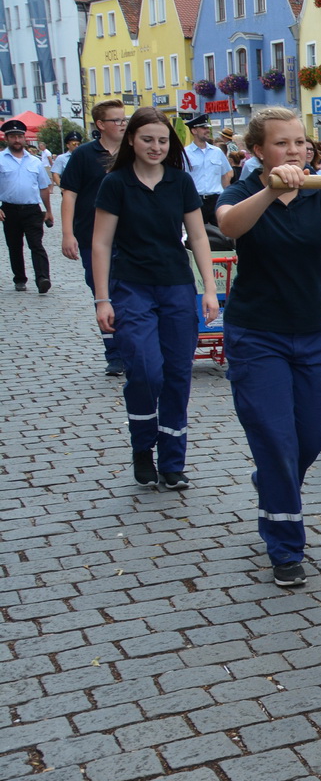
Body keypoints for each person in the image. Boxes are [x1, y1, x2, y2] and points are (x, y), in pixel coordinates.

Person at [216, 106, 321, 588]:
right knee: (275, 439)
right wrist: (271, 189)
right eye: (283, 143)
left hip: (311, 334)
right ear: (258, 152)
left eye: (300, 142)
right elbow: (229, 227)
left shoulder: (319, 193)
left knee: (310, 437)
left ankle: (272, 479)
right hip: (256, 335)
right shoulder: (243, 191)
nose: (295, 151)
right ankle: (286, 546)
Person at [89, 108, 220, 491]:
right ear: (131, 140)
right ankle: (143, 447)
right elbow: (100, 242)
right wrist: (102, 299)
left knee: (178, 374)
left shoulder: (180, 182)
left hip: (177, 286)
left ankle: (173, 460)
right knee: (146, 370)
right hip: (131, 287)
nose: (156, 146)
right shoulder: (115, 184)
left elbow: (198, 237)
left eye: (163, 140)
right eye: (148, 139)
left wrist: (209, 290)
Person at [61, 101, 130, 370]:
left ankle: (132, 347)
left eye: (124, 120)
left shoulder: (131, 152)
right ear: (101, 125)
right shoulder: (84, 155)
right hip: (92, 237)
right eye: (117, 120)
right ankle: (114, 353)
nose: (123, 124)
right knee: (103, 294)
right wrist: (68, 234)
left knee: (129, 292)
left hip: (128, 236)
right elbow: (70, 194)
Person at [1, 118, 54, 293]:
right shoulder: (1, 160)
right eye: (12, 137)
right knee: (14, 246)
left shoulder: (35, 162)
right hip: (9, 209)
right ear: (6, 139)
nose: (16, 140)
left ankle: (42, 278)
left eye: (19, 136)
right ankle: (20, 279)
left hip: (32, 210)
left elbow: (43, 187)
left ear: (24, 138)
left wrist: (48, 210)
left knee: (36, 244)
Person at [182, 113, 232, 227]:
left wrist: (227, 198)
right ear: (194, 131)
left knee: (222, 235)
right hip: (195, 200)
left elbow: (225, 176)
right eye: (203, 128)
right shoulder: (185, 154)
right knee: (196, 232)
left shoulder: (217, 152)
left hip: (216, 199)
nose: (207, 130)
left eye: (207, 128)